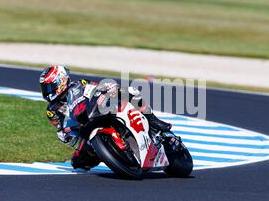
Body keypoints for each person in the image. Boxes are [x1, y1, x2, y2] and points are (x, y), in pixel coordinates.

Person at [39, 65, 172, 170]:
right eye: (45, 88)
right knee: (78, 163)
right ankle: (114, 155)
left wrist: (109, 88)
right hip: (83, 129)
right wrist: (64, 133)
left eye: (49, 87)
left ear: (60, 81)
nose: (47, 91)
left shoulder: (79, 84)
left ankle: (152, 119)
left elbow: (97, 88)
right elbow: (60, 127)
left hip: (97, 111)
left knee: (130, 91)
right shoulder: (52, 110)